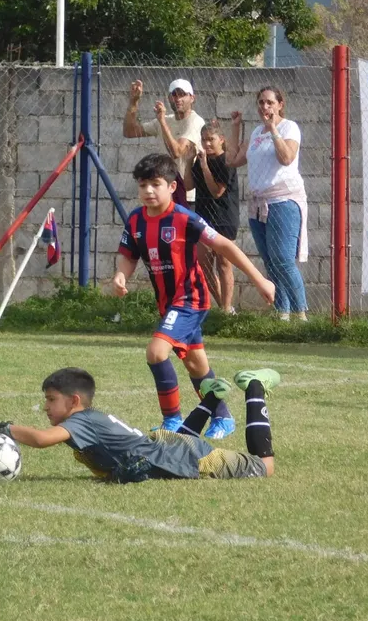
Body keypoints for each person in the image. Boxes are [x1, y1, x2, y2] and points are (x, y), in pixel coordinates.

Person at [112, 153, 275, 438]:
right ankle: (222, 418)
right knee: (195, 364)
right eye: (142, 185)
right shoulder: (136, 220)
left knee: (156, 352)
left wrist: (259, 279)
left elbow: (224, 245)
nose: (148, 190)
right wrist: (120, 275)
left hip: (190, 299)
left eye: (155, 184)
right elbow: (128, 255)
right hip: (167, 303)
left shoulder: (184, 218)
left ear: (172, 187)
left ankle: (172, 420)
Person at [0, 366, 280, 483]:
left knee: (264, 467)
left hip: (184, 455)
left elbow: (43, 439)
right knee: (172, 446)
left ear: (74, 401)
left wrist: (4, 428)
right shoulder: (85, 419)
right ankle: (211, 399)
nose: (46, 407)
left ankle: (254, 389)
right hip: (162, 447)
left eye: (51, 400)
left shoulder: (81, 421)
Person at [227, 86, 309, 322]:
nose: (265, 107)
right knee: (270, 261)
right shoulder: (255, 133)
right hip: (258, 203)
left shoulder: (289, 127)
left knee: (283, 259)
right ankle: (282, 313)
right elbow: (233, 160)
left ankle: (300, 313)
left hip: (283, 201)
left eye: (270, 102)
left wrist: (273, 129)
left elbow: (286, 158)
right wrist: (235, 128)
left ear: (280, 104)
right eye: (261, 102)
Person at [122, 77, 206, 208]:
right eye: (174, 95)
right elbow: (129, 131)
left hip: (186, 194)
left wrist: (161, 121)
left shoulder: (195, 121)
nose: (178, 99)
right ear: (169, 98)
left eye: (182, 95)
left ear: (192, 98)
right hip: (164, 193)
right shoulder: (167, 120)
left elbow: (177, 152)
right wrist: (134, 101)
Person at [189, 120, 240, 315]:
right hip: (204, 218)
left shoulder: (226, 161)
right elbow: (187, 185)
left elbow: (216, 191)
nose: (207, 144)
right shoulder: (200, 161)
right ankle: (222, 307)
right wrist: (188, 161)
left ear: (221, 139)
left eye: (211, 139)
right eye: (203, 140)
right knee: (203, 264)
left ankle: (227, 310)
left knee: (224, 264)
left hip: (225, 218)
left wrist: (204, 167)